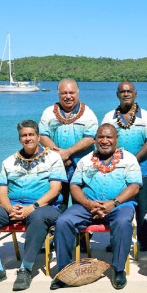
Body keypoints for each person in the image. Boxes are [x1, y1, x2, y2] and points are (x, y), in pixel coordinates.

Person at [0, 120, 65, 291]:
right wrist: (9, 208)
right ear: (19, 138)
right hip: (14, 206)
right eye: (24, 135)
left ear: (38, 137)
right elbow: (1, 192)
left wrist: (33, 207)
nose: (27, 138)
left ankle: (26, 268)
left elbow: (55, 190)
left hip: (45, 207)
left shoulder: (53, 158)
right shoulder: (9, 161)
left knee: (38, 217)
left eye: (31, 134)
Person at [51, 124, 141, 290]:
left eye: (109, 137)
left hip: (119, 205)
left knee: (123, 223)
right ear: (95, 139)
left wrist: (113, 203)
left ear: (116, 139)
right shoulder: (86, 160)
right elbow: (75, 186)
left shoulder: (129, 159)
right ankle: (64, 271)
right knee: (63, 221)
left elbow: (134, 186)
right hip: (88, 205)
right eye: (101, 137)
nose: (105, 141)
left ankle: (118, 269)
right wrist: (86, 203)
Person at [102, 81, 147, 252]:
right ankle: (115, 240)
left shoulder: (146, 116)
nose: (126, 94)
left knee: (142, 209)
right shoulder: (109, 117)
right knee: (117, 207)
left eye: (129, 91)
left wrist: (134, 160)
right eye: (122, 92)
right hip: (115, 172)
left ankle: (142, 242)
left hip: (142, 170)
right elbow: (104, 141)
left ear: (135, 94)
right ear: (117, 94)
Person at [39, 78, 98, 209]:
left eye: (71, 92)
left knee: (83, 205)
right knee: (57, 204)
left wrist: (67, 152)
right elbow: (42, 136)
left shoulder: (88, 113)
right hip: (55, 167)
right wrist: (59, 155)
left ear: (78, 93)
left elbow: (90, 138)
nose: (68, 96)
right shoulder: (48, 112)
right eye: (64, 93)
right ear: (58, 94)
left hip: (82, 168)